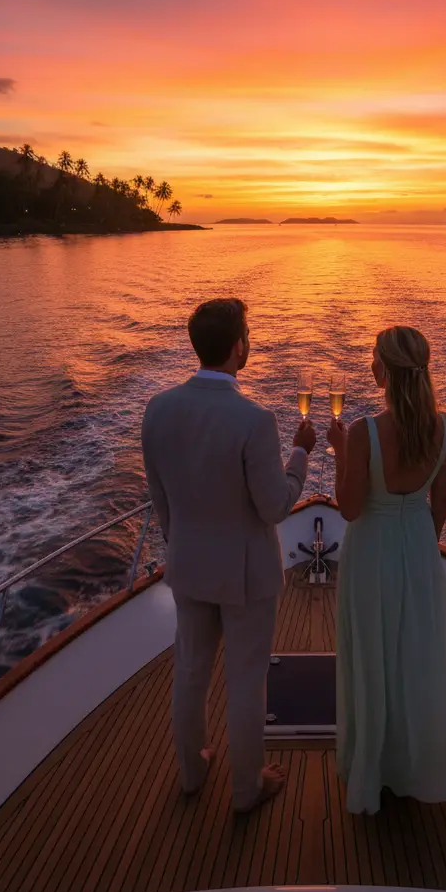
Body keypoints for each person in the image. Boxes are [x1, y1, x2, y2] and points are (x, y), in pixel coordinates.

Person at [142, 298, 316, 811]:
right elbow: (275, 507)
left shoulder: (158, 408)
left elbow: (160, 498)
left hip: (190, 565)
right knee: (246, 680)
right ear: (239, 345)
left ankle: (193, 772)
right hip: (246, 576)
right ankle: (246, 789)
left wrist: (183, 547)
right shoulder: (254, 421)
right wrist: (300, 455)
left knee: (190, 673)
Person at [327, 325, 446, 814]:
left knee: (372, 652)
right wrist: (418, 551)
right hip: (418, 546)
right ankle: (412, 761)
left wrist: (339, 454)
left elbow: (350, 507)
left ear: (384, 370)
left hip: (372, 550)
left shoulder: (363, 433)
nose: (369, 363)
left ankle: (373, 764)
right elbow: (438, 508)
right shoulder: (443, 429)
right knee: (412, 654)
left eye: (373, 356)